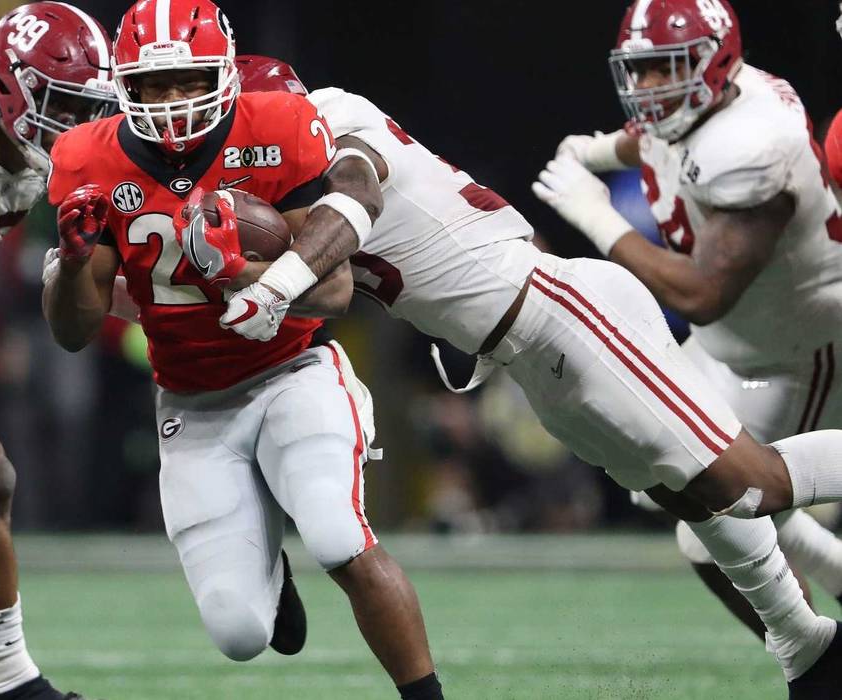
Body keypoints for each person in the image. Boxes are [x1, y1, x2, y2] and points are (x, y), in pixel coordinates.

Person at [231, 49, 842, 697]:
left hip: (566, 318)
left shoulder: (334, 122)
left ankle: (803, 646)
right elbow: (330, 286)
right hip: (527, 357)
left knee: (748, 487)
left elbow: (353, 198)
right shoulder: (295, 178)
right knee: (687, 499)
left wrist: (270, 279)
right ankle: (804, 650)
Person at [44, 2, 443, 699]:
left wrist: (236, 272)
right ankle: (270, 568)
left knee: (335, 533)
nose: (170, 103)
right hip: (192, 401)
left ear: (224, 74)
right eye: (150, 85)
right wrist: (73, 265)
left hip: (293, 371)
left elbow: (333, 290)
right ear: (122, 86)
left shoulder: (278, 126)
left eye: (187, 80)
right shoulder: (85, 155)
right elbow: (73, 333)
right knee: (238, 634)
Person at [533, 0, 842, 641]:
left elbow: (704, 294)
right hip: (736, 347)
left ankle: (818, 655)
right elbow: (651, 137)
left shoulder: (754, 145)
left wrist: (600, 219)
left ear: (716, 63)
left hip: (800, 351)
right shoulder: (706, 104)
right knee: (663, 478)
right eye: (640, 70)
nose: (648, 88)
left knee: (718, 526)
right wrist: (600, 150)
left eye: (665, 69)